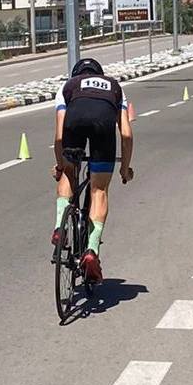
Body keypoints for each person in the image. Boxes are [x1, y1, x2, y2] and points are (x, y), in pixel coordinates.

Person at [52, 57, 134, 284]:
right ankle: (91, 250)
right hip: (103, 131)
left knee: (69, 173)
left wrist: (61, 166)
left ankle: (59, 228)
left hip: (73, 126)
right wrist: (124, 169)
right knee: (99, 191)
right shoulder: (115, 87)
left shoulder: (67, 87)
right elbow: (126, 134)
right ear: (100, 74)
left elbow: (59, 135)